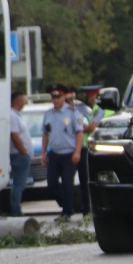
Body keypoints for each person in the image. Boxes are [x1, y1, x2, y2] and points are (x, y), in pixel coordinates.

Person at [41, 83, 84, 221]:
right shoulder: (48, 114)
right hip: (54, 153)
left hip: (69, 153)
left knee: (67, 183)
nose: (55, 99)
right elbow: (45, 134)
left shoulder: (72, 113)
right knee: (51, 183)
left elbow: (79, 133)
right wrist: (43, 153)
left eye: (58, 96)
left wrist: (77, 151)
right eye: (53, 97)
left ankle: (67, 211)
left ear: (64, 96)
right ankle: (67, 204)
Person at [72, 84, 106, 215]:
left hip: (95, 148)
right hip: (90, 147)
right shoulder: (92, 110)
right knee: (86, 179)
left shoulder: (99, 110)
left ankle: (92, 207)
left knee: (90, 179)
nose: (89, 99)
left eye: (91, 96)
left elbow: (91, 127)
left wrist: (78, 127)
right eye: (89, 96)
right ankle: (88, 207)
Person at [8, 90, 32, 217]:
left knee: (19, 184)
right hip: (18, 154)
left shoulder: (16, 115)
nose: (24, 102)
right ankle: (16, 210)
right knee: (19, 184)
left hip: (19, 154)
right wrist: (23, 151)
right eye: (23, 100)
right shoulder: (12, 115)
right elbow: (15, 135)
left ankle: (16, 208)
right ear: (18, 101)